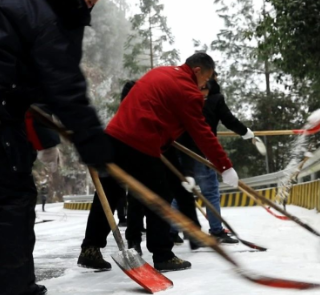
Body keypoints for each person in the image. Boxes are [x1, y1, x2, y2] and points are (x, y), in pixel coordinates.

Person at [0, 0, 126, 294]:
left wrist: (46, 138)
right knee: (11, 199)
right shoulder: (47, 9)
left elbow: (34, 79)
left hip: (9, 106)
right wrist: (94, 143)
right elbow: (64, 84)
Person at [77, 53, 239, 272]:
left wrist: (165, 140)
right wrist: (225, 165)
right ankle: (163, 255)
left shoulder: (160, 72)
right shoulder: (189, 91)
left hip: (114, 137)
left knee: (109, 195)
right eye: (206, 79)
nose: (204, 85)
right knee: (160, 197)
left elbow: (151, 106)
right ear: (198, 71)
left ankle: (90, 249)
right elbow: (202, 132)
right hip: (140, 143)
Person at [176, 71, 254, 244]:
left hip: (181, 150)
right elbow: (229, 120)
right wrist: (246, 132)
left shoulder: (185, 95)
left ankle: (171, 230)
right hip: (202, 151)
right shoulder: (215, 99)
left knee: (180, 192)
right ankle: (217, 231)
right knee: (210, 192)